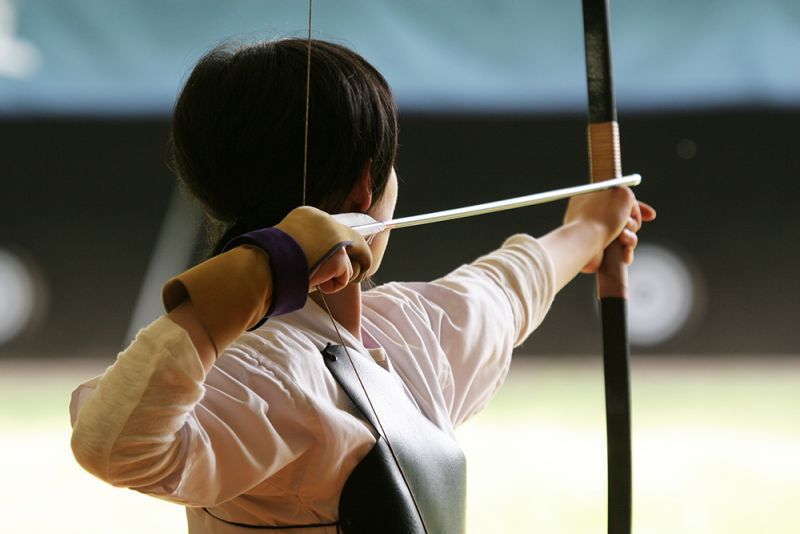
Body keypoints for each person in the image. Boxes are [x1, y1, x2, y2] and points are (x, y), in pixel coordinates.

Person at [69, 38, 655, 533]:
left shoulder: (403, 331)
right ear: (363, 191)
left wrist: (587, 230)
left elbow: (503, 290)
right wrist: (255, 272)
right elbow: (111, 445)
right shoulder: (259, 373)